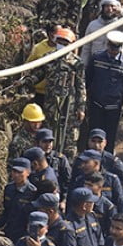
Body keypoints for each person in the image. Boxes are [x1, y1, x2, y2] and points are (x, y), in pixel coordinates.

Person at [30, 27, 86, 157]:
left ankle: (66, 162)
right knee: (49, 132)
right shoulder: (48, 58)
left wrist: (81, 107)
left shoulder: (77, 63)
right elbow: (38, 74)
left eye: (66, 43)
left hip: (69, 104)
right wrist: (26, 81)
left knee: (68, 137)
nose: (63, 45)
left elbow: (81, 86)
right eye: (60, 42)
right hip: (50, 103)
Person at [86, 30, 123, 153]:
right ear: (107, 44)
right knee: (94, 134)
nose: (114, 50)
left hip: (114, 106)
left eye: (117, 47)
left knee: (110, 137)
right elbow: (88, 79)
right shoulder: (96, 58)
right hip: (96, 103)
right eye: (112, 46)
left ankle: (106, 163)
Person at [0, 158, 38, 238]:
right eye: (14, 171)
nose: (16, 175)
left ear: (28, 172)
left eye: (20, 172)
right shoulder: (9, 188)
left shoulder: (33, 192)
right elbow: (6, 211)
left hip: (23, 233)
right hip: (8, 230)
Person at [83, 0, 123, 65]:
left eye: (112, 6)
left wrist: (121, 11)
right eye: (107, 6)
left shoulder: (120, 25)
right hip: (96, 63)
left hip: (114, 64)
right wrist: (84, 65)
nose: (110, 9)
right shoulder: (92, 25)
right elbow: (86, 48)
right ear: (102, 8)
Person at [35, 128, 73, 197]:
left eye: (50, 142)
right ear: (37, 143)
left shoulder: (60, 159)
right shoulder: (33, 158)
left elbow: (68, 181)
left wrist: (64, 200)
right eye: (45, 141)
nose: (48, 145)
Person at [7, 103, 47, 169]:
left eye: (39, 122)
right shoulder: (18, 143)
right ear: (25, 121)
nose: (37, 125)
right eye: (33, 122)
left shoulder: (41, 136)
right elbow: (12, 168)